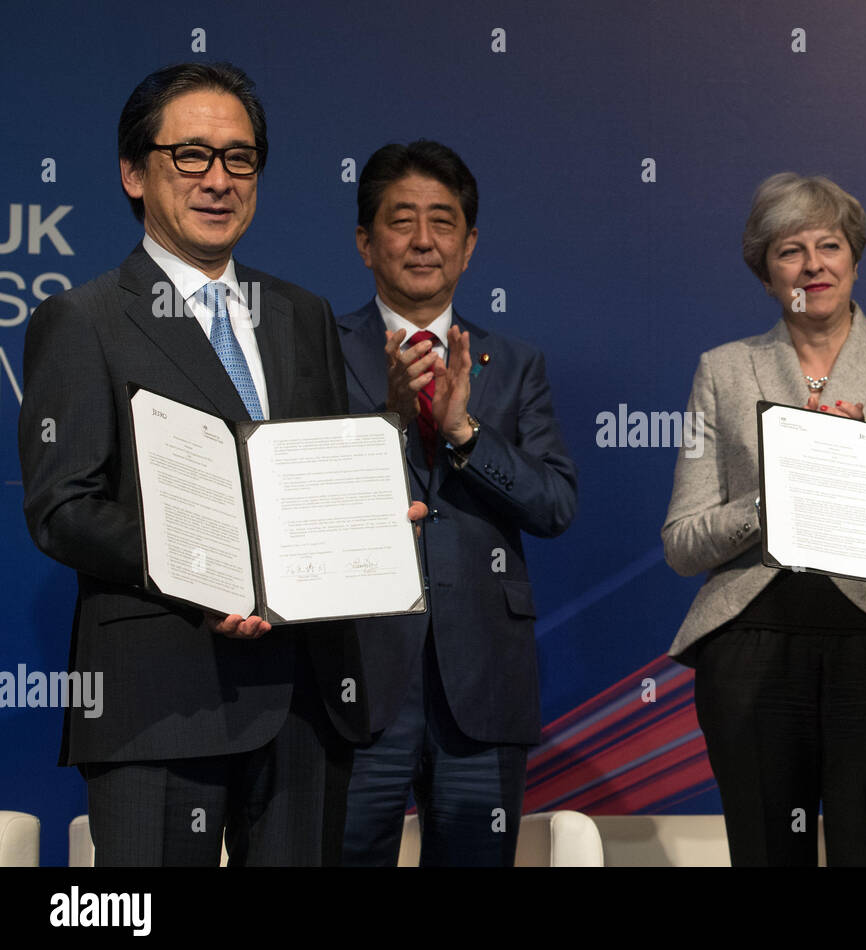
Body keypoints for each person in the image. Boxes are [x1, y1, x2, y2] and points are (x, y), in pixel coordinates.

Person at [18, 63, 425, 865]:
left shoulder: (299, 312)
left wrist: (371, 519)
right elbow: (63, 506)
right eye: (191, 156)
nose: (218, 179)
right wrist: (206, 573)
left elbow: (308, 471)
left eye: (240, 159)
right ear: (135, 173)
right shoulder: (84, 318)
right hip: (160, 699)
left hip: (309, 693)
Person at [661, 173, 866, 866]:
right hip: (751, 647)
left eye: (829, 245)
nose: (812, 266)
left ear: (855, 260)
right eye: (788, 250)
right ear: (766, 275)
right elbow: (683, 543)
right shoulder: (725, 370)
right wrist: (783, 496)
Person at [336, 140, 577, 867]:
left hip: (483, 683)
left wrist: (465, 432)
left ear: (468, 247)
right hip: (355, 674)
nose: (421, 239)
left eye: (442, 221)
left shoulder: (515, 363)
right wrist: (392, 414)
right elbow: (300, 489)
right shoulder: (316, 346)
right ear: (365, 243)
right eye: (400, 219)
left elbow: (554, 504)